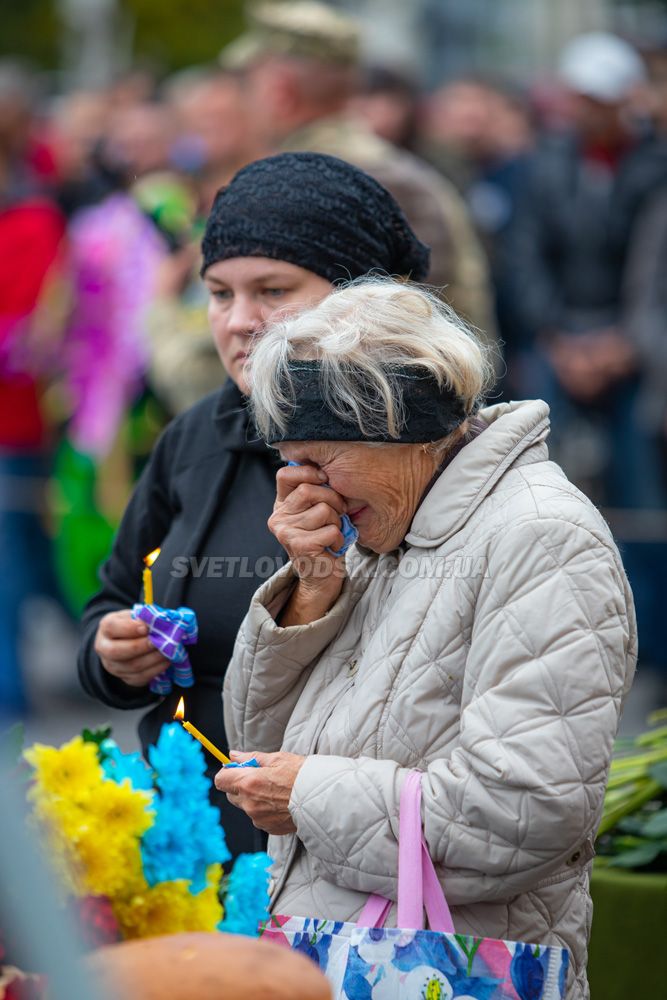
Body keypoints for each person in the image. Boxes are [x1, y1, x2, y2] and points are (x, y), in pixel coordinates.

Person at [215, 279, 637, 998]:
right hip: (334, 953)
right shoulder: (382, 526)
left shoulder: (540, 538)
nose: (300, 488)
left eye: (319, 458)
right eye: (289, 460)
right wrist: (310, 591)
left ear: (402, 430)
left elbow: (523, 810)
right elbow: (257, 749)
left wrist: (310, 795)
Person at [77, 152, 431, 857]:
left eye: (272, 288)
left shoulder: (422, 453)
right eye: (217, 293)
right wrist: (110, 653)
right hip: (191, 842)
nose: (240, 321)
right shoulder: (194, 438)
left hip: (353, 868)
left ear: (361, 297)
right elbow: (113, 599)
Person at [222, 0, 498, 344]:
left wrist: (163, 313)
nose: (243, 101)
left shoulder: (325, 183)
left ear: (281, 93)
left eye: (248, 86)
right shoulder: (376, 172)